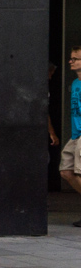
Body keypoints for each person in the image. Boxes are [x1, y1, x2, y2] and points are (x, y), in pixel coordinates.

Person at [60, 46, 81, 226]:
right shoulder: (75, 83)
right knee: (66, 172)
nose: (71, 61)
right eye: (71, 58)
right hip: (76, 134)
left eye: (75, 59)